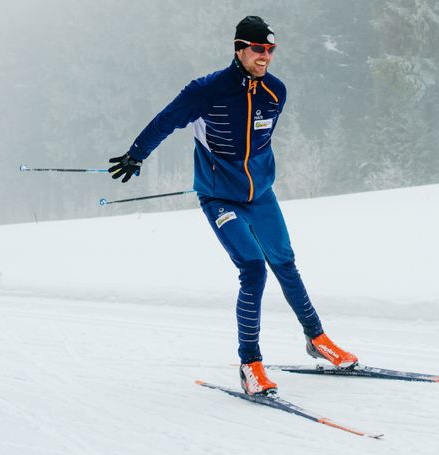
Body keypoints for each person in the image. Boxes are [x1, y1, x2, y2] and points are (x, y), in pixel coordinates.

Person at [109, 16, 357, 396]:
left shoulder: (276, 93)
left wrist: (254, 179)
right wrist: (136, 154)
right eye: (258, 49)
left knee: (285, 263)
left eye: (271, 50)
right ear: (239, 48)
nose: (265, 57)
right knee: (253, 268)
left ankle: (317, 339)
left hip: (260, 197)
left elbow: (258, 146)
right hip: (219, 198)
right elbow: (167, 120)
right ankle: (250, 364)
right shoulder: (207, 90)